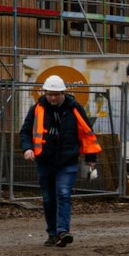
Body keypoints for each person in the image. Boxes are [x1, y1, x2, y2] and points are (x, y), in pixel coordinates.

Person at [20, 75, 101, 247]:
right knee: (49, 199)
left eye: (56, 94)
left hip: (68, 160)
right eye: (50, 94)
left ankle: (63, 231)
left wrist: (91, 159)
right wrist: (27, 148)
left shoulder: (75, 108)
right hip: (45, 161)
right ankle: (53, 233)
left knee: (63, 194)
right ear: (45, 93)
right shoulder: (36, 109)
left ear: (63, 92)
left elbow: (87, 133)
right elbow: (25, 131)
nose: (53, 97)